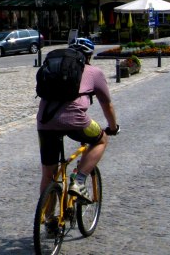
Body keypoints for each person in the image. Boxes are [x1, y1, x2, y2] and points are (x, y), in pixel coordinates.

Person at [37, 38, 119, 202]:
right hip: (75, 121)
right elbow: (106, 104)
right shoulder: (94, 72)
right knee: (101, 139)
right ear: (88, 56)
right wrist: (113, 127)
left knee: (48, 173)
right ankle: (79, 181)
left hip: (45, 122)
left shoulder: (54, 69)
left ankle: (49, 219)